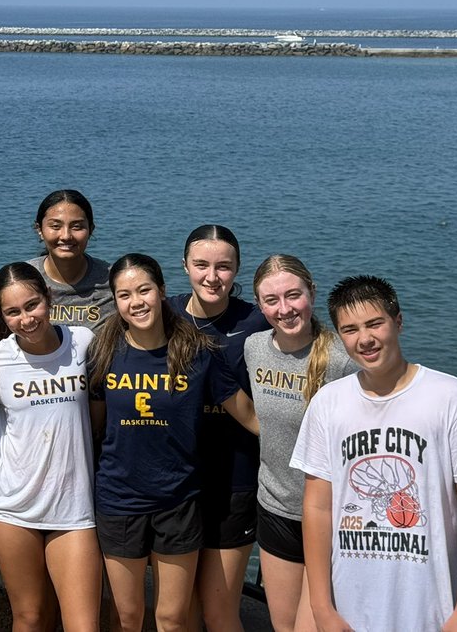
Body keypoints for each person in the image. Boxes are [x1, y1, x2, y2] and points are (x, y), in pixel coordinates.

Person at [291, 275, 457, 632]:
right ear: (340, 337)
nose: (365, 339)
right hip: (346, 608)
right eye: (351, 329)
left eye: (375, 323)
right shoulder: (328, 403)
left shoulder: (452, 398)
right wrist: (321, 607)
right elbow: (317, 506)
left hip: (431, 611)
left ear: (398, 322)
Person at [88, 253, 258, 632]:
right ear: (115, 301)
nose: (136, 302)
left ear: (162, 291)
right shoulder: (103, 352)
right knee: (127, 617)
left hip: (179, 500)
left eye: (144, 290)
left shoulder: (197, 352)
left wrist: (309, 448)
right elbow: (97, 427)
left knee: (172, 619)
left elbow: (248, 415)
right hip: (119, 500)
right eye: (124, 294)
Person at [0, 262, 101, 632]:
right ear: (2, 316)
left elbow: (105, 412)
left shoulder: (84, 342)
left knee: (83, 624)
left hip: (74, 507)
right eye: (13, 312)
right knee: (30, 617)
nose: (26, 319)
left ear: (49, 298)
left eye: (32, 305)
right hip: (12, 507)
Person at [246, 255, 357, 632]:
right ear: (259, 305)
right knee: (283, 627)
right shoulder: (254, 347)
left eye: (294, 295)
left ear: (312, 292)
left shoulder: (341, 362)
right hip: (275, 508)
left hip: (331, 518)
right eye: (271, 300)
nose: (284, 309)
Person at [168, 224, 267, 632]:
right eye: (202, 265)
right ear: (185, 266)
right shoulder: (163, 314)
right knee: (180, 612)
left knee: (220, 611)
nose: (213, 276)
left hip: (236, 479)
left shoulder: (258, 321)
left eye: (224, 267)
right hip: (175, 482)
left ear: (237, 268)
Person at [26, 189, 114, 332]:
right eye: (55, 226)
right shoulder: (22, 278)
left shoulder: (113, 280)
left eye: (77, 226)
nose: (66, 236)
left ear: (90, 229)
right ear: (39, 230)